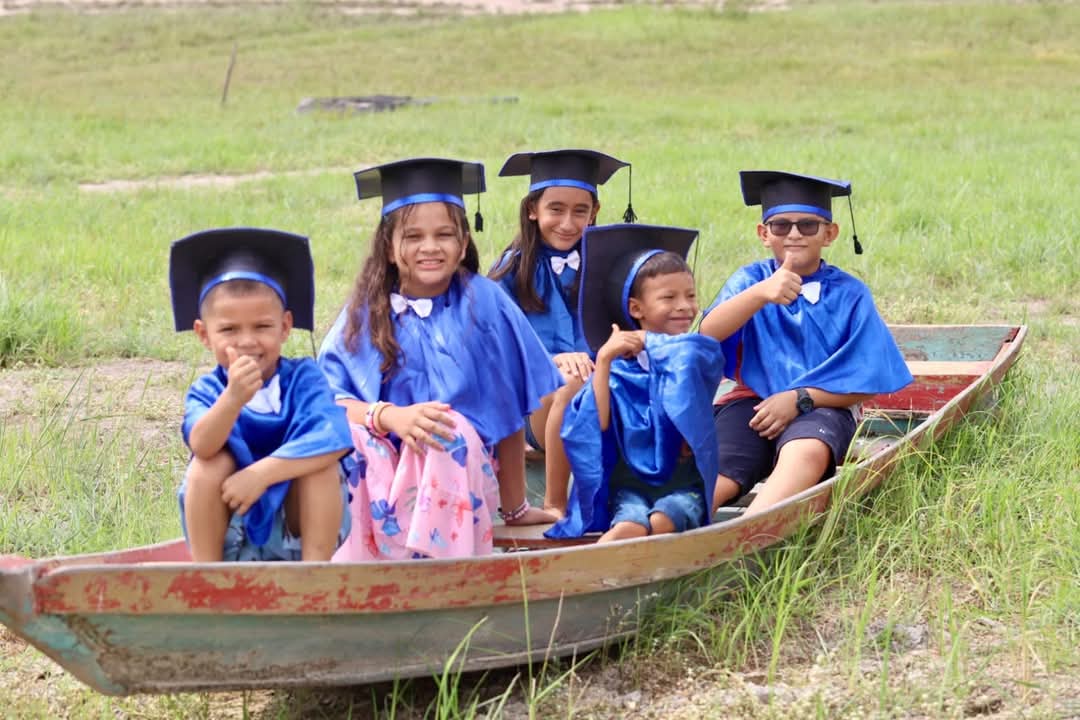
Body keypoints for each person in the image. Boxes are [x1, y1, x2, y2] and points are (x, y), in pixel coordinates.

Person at [318, 158, 564, 561]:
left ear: (463, 244)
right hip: (383, 475)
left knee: (443, 428)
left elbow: (508, 411)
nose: (430, 247)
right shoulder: (367, 310)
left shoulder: (483, 303)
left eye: (444, 235)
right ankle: (357, 571)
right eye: (413, 236)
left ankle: (445, 572)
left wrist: (516, 507)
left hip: (458, 472)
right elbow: (333, 400)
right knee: (355, 438)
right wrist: (390, 417)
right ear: (390, 247)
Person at [700, 171, 913, 515]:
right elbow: (707, 335)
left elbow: (867, 379)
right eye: (781, 225)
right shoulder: (749, 281)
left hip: (823, 405)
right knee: (724, 460)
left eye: (808, 226)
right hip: (751, 402)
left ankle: (752, 527)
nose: (794, 234)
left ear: (830, 234)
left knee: (807, 449)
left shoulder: (851, 294)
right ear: (763, 234)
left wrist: (799, 398)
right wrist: (760, 294)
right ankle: (675, 527)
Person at [169, 227, 353, 562]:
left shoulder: (304, 379)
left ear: (285, 326)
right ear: (204, 335)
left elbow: (334, 437)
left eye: (262, 327)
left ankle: (316, 581)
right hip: (231, 526)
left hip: (295, 529)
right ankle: (210, 581)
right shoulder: (209, 391)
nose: (247, 341)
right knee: (207, 466)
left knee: (321, 467)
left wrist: (260, 475)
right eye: (229, 330)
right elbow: (201, 443)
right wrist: (233, 398)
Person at [543, 224, 726, 542]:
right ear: (635, 308)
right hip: (630, 490)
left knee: (664, 520)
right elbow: (594, 422)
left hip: (685, 488)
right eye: (669, 297)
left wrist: (646, 339)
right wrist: (603, 361)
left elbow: (690, 355)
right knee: (628, 526)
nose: (684, 306)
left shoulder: (696, 353)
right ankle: (577, 576)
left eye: (690, 295)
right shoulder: (619, 372)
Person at [488, 149, 635, 518]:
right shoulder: (510, 271)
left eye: (580, 211)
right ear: (532, 210)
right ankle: (554, 502)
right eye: (556, 209)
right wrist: (550, 360)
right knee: (569, 381)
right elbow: (493, 346)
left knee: (586, 379)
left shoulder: (611, 266)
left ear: (595, 213)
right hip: (538, 405)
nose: (568, 223)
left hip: (607, 391)